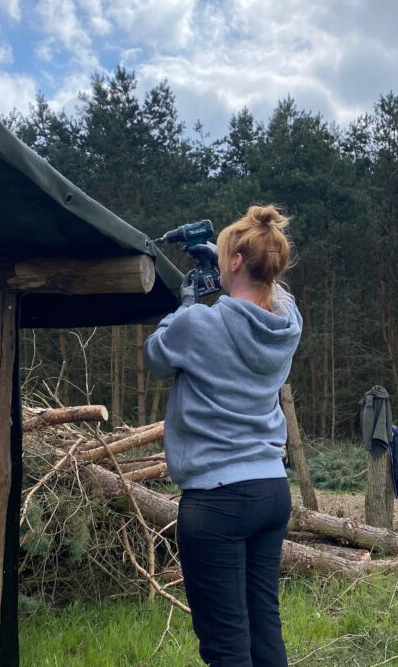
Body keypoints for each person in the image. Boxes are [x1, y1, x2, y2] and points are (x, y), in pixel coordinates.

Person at [144, 204, 302, 667]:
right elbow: (274, 292)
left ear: (233, 262)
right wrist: (233, 264)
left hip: (216, 502)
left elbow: (155, 356)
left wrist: (187, 302)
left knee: (226, 646)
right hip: (271, 489)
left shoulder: (196, 323)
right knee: (264, 631)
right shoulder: (288, 324)